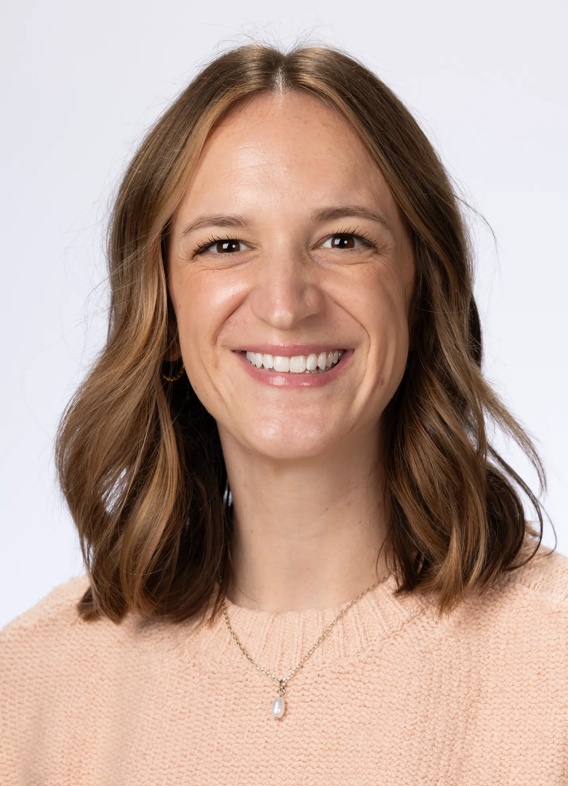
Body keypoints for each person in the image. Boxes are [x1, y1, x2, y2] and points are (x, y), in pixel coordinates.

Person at [1, 43, 566, 784]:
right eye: (225, 245)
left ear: (423, 292)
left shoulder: (552, 664)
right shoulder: (34, 686)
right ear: (164, 314)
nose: (285, 303)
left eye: (343, 240)